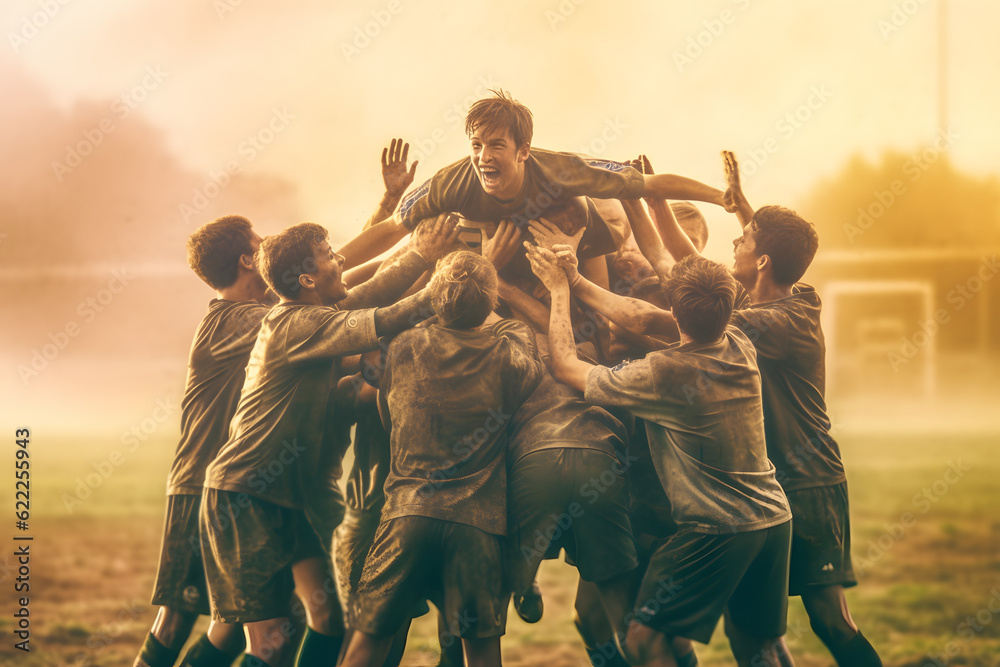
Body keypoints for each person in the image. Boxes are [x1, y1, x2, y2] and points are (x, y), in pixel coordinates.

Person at [638, 151, 882, 666]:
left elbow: (684, 296)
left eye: (743, 241)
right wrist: (658, 202)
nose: (734, 243)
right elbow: (695, 267)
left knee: (830, 619)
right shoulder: (771, 298)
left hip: (808, 482)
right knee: (752, 634)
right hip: (765, 487)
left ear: (764, 260)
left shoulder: (777, 322)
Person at [200, 217, 458, 667]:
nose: (340, 260)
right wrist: (451, 280)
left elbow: (368, 296)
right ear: (306, 279)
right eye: (329, 256)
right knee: (268, 644)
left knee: (329, 621)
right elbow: (385, 316)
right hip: (246, 495)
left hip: (284, 496)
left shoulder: (308, 316)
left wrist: (418, 252)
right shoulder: (295, 325)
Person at [528, 245, 795, 667]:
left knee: (643, 641)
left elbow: (565, 366)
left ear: (674, 311)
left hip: (717, 528)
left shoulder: (662, 372)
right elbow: (642, 316)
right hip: (774, 520)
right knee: (758, 649)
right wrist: (578, 279)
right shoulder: (739, 342)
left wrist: (559, 289)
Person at [342, 251, 543, 667]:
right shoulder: (510, 353)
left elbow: (389, 416)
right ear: (491, 304)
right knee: (482, 654)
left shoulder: (402, 346)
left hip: (405, 514)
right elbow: (530, 357)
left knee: (365, 647)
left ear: (435, 299)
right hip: (477, 525)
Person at [134, 215, 268, 667]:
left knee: (232, 628)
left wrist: (391, 211)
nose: (269, 247)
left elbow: (328, 286)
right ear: (247, 260)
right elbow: (330, 297)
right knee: (175, 621)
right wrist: (413, 251)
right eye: (261, 243)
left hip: (233, 492)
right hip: (198, 485)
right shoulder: (237, 321)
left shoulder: (253, 314)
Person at [391, 90, 729, 235]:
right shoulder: (451, 183)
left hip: (577, 240)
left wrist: (722, 198)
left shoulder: (560, 172)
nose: (483, 157)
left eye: (496, 146)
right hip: (499, 252)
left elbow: (652, 185)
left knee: (575, 210)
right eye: (476, 145)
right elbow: (392, 228)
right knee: (437, 235)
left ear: (523, 150)